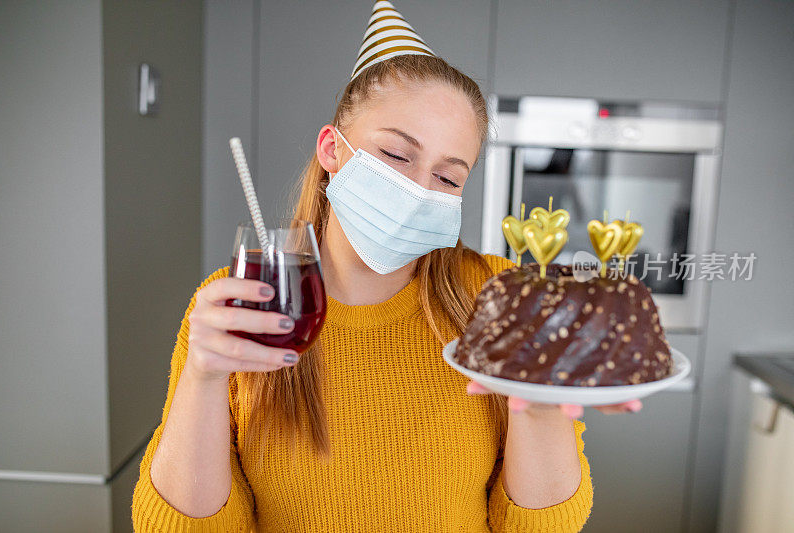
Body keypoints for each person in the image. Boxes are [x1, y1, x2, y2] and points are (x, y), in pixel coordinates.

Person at [132, 2, 640, 531]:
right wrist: (203, 378)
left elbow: (543, 526)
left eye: (448, 178)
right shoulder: (243, 302)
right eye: (397, 155)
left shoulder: (497, 297)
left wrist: (537, 405)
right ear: (332, 149)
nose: (418, 189)